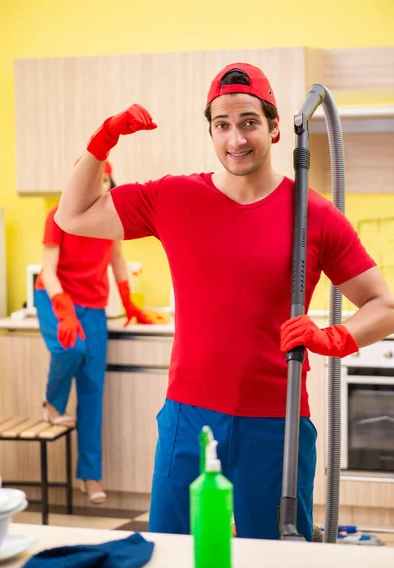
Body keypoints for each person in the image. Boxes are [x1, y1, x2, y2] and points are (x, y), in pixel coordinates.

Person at [54, 64, 394, 538]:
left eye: (249, 122)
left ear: (276, 129)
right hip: (187, 419)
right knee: (171, 556)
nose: (236, 138)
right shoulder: (172, 198)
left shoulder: (313, 213)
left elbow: (383, 305)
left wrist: (334, 336)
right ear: (211, 131)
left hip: (276, 425)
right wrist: (102, 141)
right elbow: (72, 216)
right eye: (223, 125)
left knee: (276, 563)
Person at [35, 159, 166, 504]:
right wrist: (63, 310)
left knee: (93, 388)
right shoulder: (57, 215)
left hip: (93, 306)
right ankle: (52, 401)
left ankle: (91, 478)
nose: (101, 184)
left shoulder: (110, 221)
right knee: (71, 350)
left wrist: (130, 303)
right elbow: (48, 271)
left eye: (106, 179)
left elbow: (117, 260)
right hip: (55, 297)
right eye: (95, 178)